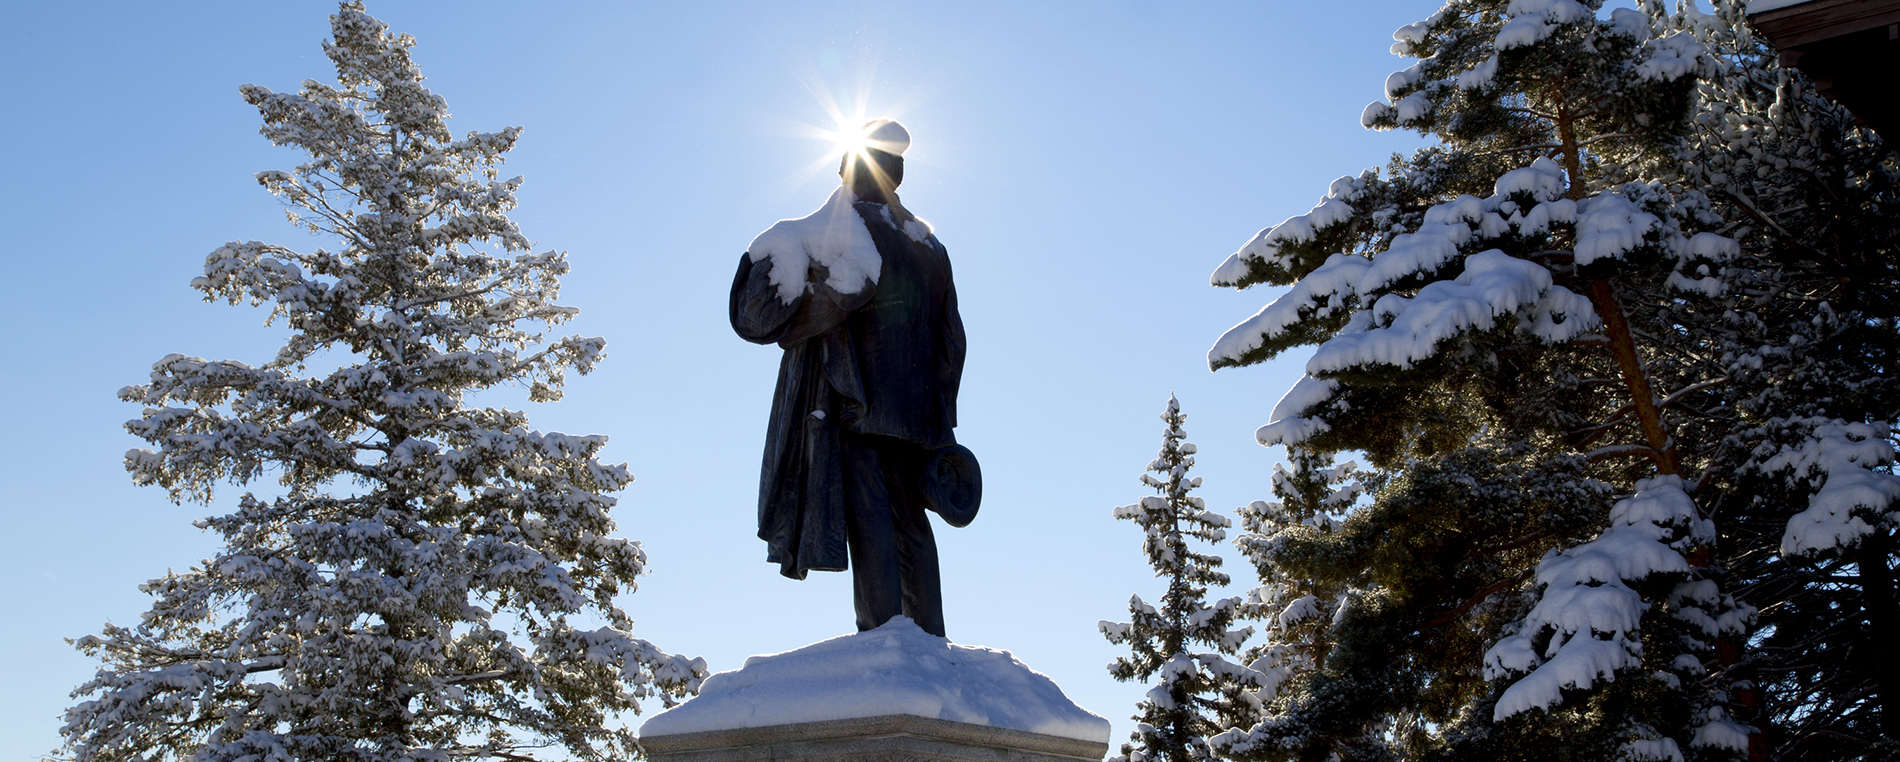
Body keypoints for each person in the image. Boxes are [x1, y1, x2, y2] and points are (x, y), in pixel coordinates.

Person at [730, 121, 968, 638]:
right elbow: (953, 344)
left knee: (873, 526)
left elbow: (752, 317)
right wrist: (940, 423)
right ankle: (928, 639)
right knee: (913, 529)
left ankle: (884, 642)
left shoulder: (840, 236)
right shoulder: (930, 248)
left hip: (855, 407)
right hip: (917, 420)